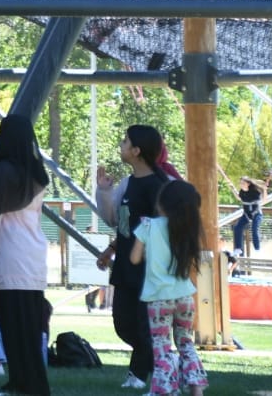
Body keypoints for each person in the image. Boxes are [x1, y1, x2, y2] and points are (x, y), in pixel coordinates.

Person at [97, 125, 173, 390]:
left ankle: (139, 374)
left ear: (137, 151)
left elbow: (163, 228)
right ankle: (158, 362)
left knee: (143, 324)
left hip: (148, 269)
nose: (121, 145)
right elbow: (125, 226)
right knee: (123, 323)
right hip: (125, 267)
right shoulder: (129, 183)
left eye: (126, 141)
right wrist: (111, 249)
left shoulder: (159, 185)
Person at [0, 114, 50, 396]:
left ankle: (26, 385)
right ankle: (24, 382)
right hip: (34, 256)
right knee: (29, 330)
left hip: (10, 257)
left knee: (13, 327)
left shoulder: (5, 174)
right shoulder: (36, 173)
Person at [130, 180, 207, 396]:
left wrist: (149, 253)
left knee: (162, 346)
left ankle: (165, 390)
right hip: (185, 296)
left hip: (158, 298)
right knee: (185, 342)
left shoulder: (148, 226)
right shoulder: (188, 230)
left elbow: (134, 258)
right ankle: (196, 389)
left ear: (163, 203)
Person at [223, 171, 264, 270]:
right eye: (240, 183)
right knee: (237, 227)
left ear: (248, 184)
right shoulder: (242, 192)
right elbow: (239, 197)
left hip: (256, 214)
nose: (241, 185)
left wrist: (265, 189)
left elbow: (263, 198)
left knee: (254, 230)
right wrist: (232, 188)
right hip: (247, 214)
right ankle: (238, 249)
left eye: (243, 183)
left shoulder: (255, 192)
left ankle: (257, 249)